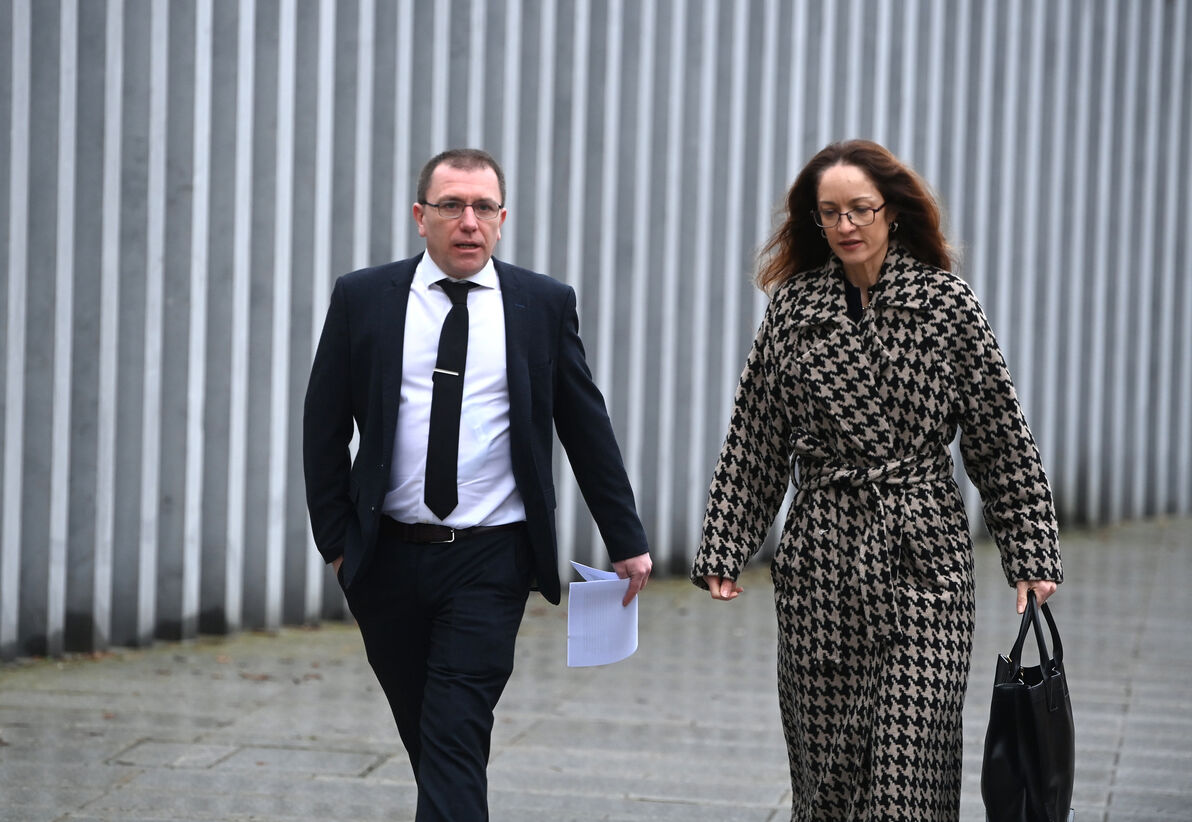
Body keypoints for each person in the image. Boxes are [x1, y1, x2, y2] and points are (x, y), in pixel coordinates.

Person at [690, 139, 1062, 821]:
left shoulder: (946, 305)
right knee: (828, 775)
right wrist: (726, 543)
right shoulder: (794, 311)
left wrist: (1031, 553)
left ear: (892, 211)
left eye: (860, 209)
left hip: (923, 556)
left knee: (907, 766)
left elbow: (1000, 437)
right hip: (822, 564)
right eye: (830, 212)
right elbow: (756, 436)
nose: (846, 225)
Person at [303, 148, 652, 821]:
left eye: (483, 207)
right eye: (451, 206)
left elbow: (586, 426)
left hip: (491, 558)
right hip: (385, 558)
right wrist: (338, 546)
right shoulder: (364, 297)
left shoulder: (541, 304)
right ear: (420, 216)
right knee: (430, 737)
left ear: (502, 218)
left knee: (455, 731)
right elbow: (323, 427)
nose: (469, 221)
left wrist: (626, 537)